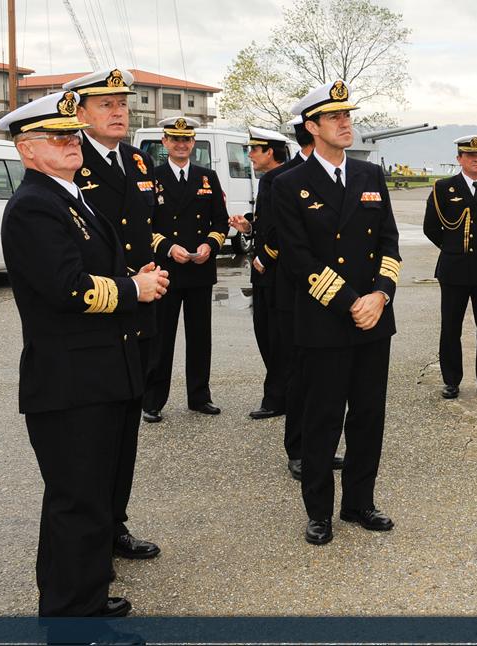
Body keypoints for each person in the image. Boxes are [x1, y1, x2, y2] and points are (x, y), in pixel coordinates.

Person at [0, 91, 169, 616]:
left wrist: (128, 281)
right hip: (71, 382)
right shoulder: (34, 206)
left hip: (99, 375)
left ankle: (80, 597)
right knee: (78, 504)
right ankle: (74, 617)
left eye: (72, 134)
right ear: (27, 150)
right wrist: (132, 289)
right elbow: (67, 289)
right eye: (57, 137)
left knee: (88, 500)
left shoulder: (69, 197)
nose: (71, 143)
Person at [271, 80, 400, 544]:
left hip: (373, 318)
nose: (347, 123)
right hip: (325, 320)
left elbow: (389, 241)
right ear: (312, 127)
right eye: (335, 117)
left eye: (348, 116)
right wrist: (352, 303)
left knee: (369, 415)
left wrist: (381, 295)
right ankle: (319, 512)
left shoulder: (370, 176)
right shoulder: (288, 184)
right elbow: (299, 258)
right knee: (322, 420)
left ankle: (360, 503)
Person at [63, 67, 161, 561]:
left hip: (138, 318)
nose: (119, 111)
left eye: (123, 103)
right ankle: (92, 538)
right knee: (95, 442)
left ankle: (115, 524)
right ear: (80, 114)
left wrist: (150, 268)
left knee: (125, 434)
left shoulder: (137, 161)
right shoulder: (71, 163)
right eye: (106, 104)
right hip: (98, 317)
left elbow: (147, 229)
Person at [143, 116, 228, 422]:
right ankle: (153, 400)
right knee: (161, 337)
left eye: (187, 140)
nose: (181, 145)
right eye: (175, 140)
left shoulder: (208, 177)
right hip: (165, 270)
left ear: (194, 143)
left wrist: (210, 245)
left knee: (200, 336)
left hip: (199, 269)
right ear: (164, 143)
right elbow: (144, 225)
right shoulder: (152, 177)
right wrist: (168, 247)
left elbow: (220, 220)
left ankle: (199, 396)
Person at [422, 135, 477, 400]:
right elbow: (431, 227)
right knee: (451, 328)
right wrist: (452, 248)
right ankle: (451, 380)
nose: (476, 159)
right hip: (454, 269)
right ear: (459, 158)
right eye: (470, 156)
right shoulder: (443, 187)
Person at [230, 125, 291, 420]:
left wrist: (266, 255)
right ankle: (279, 394)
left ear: (270, 152)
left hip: (275, 272)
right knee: (268, 334)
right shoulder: (270, 179)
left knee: (273, 336)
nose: (250, 155)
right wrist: (250, 228)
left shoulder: (278, 180)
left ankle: (278, 398)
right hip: (266, 271)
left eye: (254, 149)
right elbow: (268, 223)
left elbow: (285, 226)